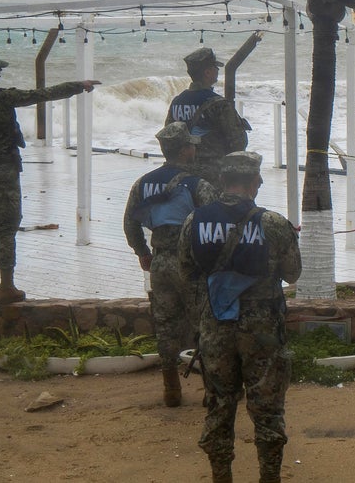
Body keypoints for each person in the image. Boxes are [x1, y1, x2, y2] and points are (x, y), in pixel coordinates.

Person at [177, 151, 300, 483]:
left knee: (219, 404)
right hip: (263, 330)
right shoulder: (272, 223)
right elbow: (293, 274)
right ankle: (269, 477)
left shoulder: (194, 221)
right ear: (255, 182)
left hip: (216, 326)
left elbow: (187, 272)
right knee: (267, 409)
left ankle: (221, 477)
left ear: (222, 181)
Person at [0, 48, 99, 304]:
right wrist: (78, 85)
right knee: (6, 227)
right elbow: (41, 95)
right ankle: (7, 286)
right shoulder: (1, 98)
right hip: (2, 171)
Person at [122, 121, 218, 407]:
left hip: (160, 261)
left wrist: (142, 252)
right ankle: (212, 390)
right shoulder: (197, 183)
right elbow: (214, 221)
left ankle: (171, 389)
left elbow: (130, 223)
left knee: (165, 326)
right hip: (191, 264)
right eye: (191, 145)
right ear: (185, 150)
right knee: (205, 325)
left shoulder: (143, 183)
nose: (194, 149)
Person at [165, 47, 250, 186]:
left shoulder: (177, 102)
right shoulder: (219, 104)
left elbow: (168, 139)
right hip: (213, 176)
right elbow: (238, 142)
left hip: (182, 175)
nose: (218, 71)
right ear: (207, 72)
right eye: (215, 67)